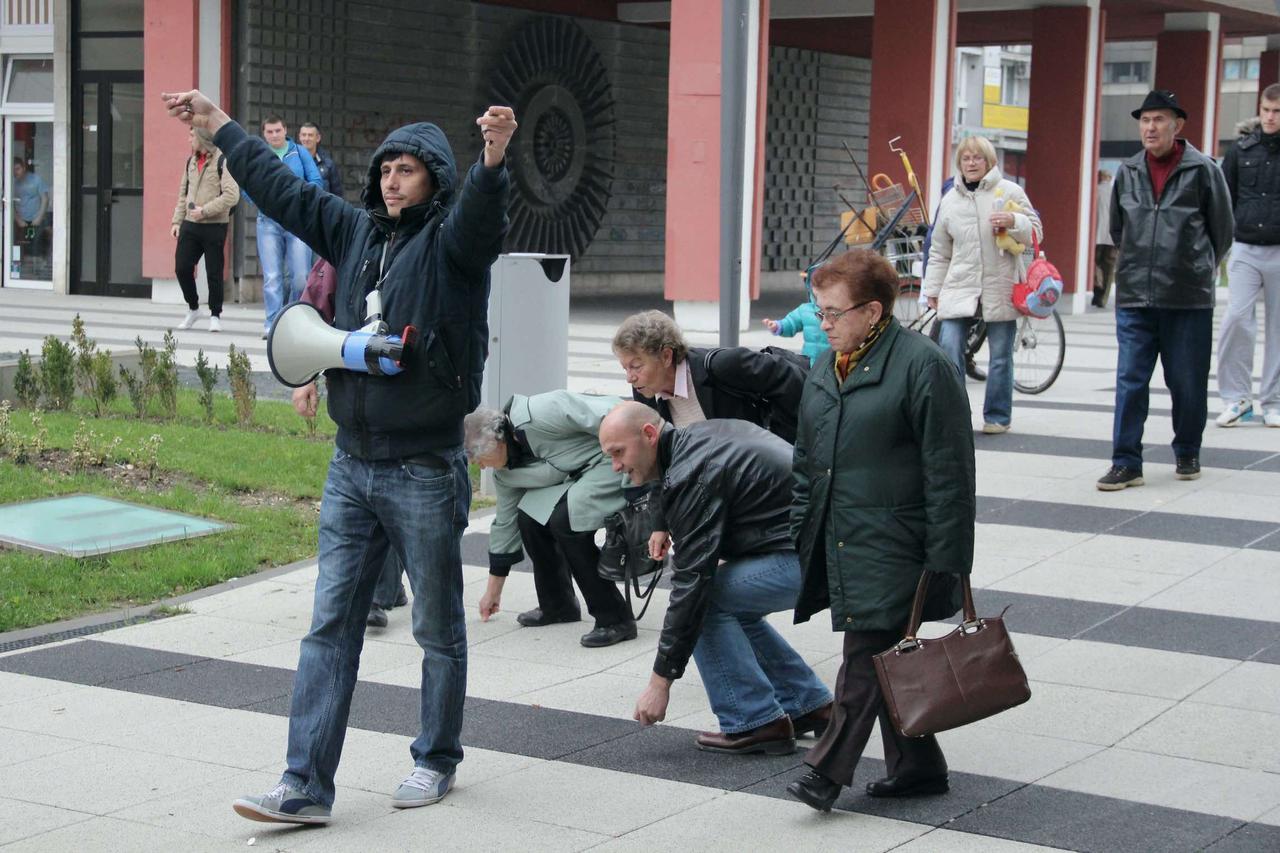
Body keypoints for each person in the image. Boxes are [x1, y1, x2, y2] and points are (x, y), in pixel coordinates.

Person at [161, 87, 516, 824]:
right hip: (352, 463)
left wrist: (493, 157)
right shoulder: (353, 231)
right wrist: (220, 128)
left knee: (436, 628)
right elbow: (283, 190)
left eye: (409, 170)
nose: (392, 179)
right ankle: (304, 784)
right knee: (330, 625)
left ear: (435, 181)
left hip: (423, 465)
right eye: (386, 167)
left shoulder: (452, 244)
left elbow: (483, 220)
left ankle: (435, 758)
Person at [784, 248, 975, 813]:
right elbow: (804, 459)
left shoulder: (924, 365)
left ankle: (826, 771)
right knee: (887, 654)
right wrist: (802, 525)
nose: (824, 324)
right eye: (819, 312)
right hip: (842, 536)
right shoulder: (825, 365)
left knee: (863, 658)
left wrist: (946, 558)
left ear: (872, 312)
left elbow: (950, 470)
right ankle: (918, 766)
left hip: (899, 544)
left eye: (833, 313)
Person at [598, 402, 833, 755]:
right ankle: (808, 703)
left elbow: (692, 583)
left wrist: (659, 683)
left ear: (648, 434)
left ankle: (755, 720)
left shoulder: (692, 471)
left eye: (619, 452)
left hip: (815, 559)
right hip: (822, 550)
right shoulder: (694, 438)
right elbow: (675, 479)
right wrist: (662, 523)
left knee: (706, 599)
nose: (617, 466)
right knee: (724, 598)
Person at [1098, 90, 1234, 490]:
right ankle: (1126, 461)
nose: (1150, 127)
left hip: (1188, 297)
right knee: (1130, 379)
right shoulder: (1128, 171)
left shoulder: (1203, 170)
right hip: (1136, 295)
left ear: (1178, 126)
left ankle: (1187, 449)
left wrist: (1196, 267)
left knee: (1187, 381)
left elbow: (1222, 231)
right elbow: (1119, 228)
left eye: (1159, 120)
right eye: (1145, 120)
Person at [464, 391, 637, 647]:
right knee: (529, 519)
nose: (482, 467)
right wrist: (493, 592)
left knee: (566, 521)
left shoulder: (543, 412)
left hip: (614, 461)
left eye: (479, 459)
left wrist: (644, 461)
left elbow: (615, 415)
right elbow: (505, 524)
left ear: (497, 441)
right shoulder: (506, 473)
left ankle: (615, 618)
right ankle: (558, 605)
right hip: (580, 477)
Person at [923, 135, 1042, 435]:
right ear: (959, 163)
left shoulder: (1010, 191)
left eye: (977, 158)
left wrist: (1014, 220)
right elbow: (939, 251)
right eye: (966, 158)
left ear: (989, 162)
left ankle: (998, 416)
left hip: (1000, 283)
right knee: (948, 348)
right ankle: (955, 415)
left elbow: (1036, 231)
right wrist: (933, 290)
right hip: (959, 285)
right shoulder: (950, 200)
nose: (972, 163)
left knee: (1001, 355)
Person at [1215, 85, 1280, 429]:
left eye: (1277, 111)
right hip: (1244, 248)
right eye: (1266, 109)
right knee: (1236, 320)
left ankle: (1274, 401)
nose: (1270, 117)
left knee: (1278, 329)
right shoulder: (1240, 151)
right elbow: (1224, 199)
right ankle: (1236, 398)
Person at [253, 116, 325, 337]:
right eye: (270, 132)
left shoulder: (299, 152)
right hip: (268, 222)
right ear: (264, 134)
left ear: (285, 130)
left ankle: (293, 319)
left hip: (296, 222)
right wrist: (261, 203)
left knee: (301, 276)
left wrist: (302, 202)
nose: (274, 135)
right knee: (273, 277)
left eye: (278, 130)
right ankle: (272, 324)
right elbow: (246, 184)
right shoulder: (259, 155)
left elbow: (315, 180)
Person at [170, 127, 240, 332]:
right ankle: (193, 308)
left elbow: (231, 196)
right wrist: (176, 221)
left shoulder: (223, 161)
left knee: (214, 272)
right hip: (190, 225)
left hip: (215, 225)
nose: (189, 139)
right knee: (182, 268)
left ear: (202, 138)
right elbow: (183, 194)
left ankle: (215, 314)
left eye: (192, 135)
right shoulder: (190, 161)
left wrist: (206, 211)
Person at [762, 280, 829, 365]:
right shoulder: (805, 309)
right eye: (815, 285)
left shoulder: (837, 310)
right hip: (809, 362)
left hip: (832, 363)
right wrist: (778, 326)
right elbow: (791, 322)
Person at [11, 157, 50, 272]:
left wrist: (39, 217)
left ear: (24, 167)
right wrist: (17, 218)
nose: (15, 172)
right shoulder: (11, 182)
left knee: (36, 245)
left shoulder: (36, 179)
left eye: (17, 169)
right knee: (20, 247)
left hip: (35, 220)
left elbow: (45, 199)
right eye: (13, 169)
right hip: (20, 221)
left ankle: (38, 270)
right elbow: (8, 201)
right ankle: (18, 272)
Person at [299, 121, 344, 198]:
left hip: (321, 209)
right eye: (304, 135)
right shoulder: (290, 161)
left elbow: (337, 196)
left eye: (310, 135)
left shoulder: (328, 164)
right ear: (299, 137)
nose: (306, 138)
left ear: (318, 138)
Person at [1094, 170, 1117, 308]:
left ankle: (1096, 292)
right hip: (1112, 237)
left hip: (1096, 236)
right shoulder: (1116, 192)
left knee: (1095, 264)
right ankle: (1103, 297)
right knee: (1109, 267)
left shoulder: (1095, 190)